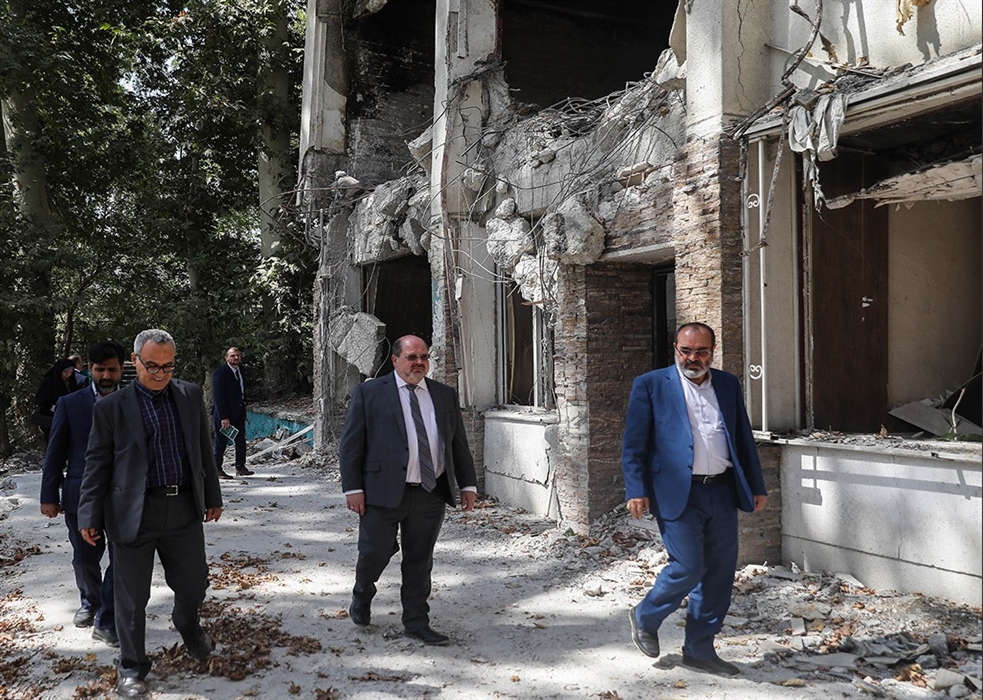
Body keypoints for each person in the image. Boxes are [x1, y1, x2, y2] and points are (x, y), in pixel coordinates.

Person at [77, 329, 223, 698]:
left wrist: (213, 495)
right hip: (132, 514)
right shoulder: (111, 408)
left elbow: (202, 449)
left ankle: (188, 625)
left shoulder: (189, 395)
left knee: (194, 584)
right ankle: (132, 668)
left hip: (183, 510)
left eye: (168, 366)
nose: (160, 374)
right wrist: (88, 514)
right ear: (135, 361)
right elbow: (96, 464)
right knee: (130, 599)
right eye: (152, 366)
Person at [621, 322, 767, 677]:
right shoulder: (651, 385)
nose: (692, 358)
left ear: (712, 352)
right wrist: (636, 489)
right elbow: (634, 443)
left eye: (701, 351)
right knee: (688, 566)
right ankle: (645, 615)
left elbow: (742, 438)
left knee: (719, 573)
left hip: (722, 489)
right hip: (677, 491)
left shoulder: (728, 384)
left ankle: (699, 650)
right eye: (686, 351)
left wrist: (756, 485)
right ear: (676, 348)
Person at [339, 335, 478, 646]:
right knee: (373, 552)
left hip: (430, 492)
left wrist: (467, 484)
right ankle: (362, 593)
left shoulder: (443, 395)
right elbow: (351, 445)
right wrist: (353, 488)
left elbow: (457, 442)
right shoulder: (369, 393)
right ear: (395, 360)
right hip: (381, 492)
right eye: (412, 357)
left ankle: (416, 622)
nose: (419, 362)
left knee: (419, 560)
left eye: (424, 357)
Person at [40, 341, 126, 648]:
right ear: (89, 369)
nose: (106, 376)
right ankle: (91, 601)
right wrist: (49, 495)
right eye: (100, 369)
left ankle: (108, 614)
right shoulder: (70, 403)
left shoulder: (134, 402)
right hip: (80, 495)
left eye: (112, 370)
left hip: (123, 497)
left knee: (123, 557)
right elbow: (55, 452)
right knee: (85, 558)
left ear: (121, 370)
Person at [211, 346, 252, 479]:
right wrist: (224, 416)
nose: (236, 358)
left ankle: (240, 467)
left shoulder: (242, 370)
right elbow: (218, 397)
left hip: (239, 412)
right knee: (221, 442)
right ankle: (217, 469)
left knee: (240, 440)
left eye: (238, 355)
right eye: (232, 355)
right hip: (224, 414)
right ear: (226, 358)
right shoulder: (220, 373)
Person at [33, 358, 84, 443]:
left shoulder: (71, 382)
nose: (68, 375)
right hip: (51, 418)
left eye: (70, 372)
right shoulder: (49, 381)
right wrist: (58, 408)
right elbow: (42, 401)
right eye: (65, 372)